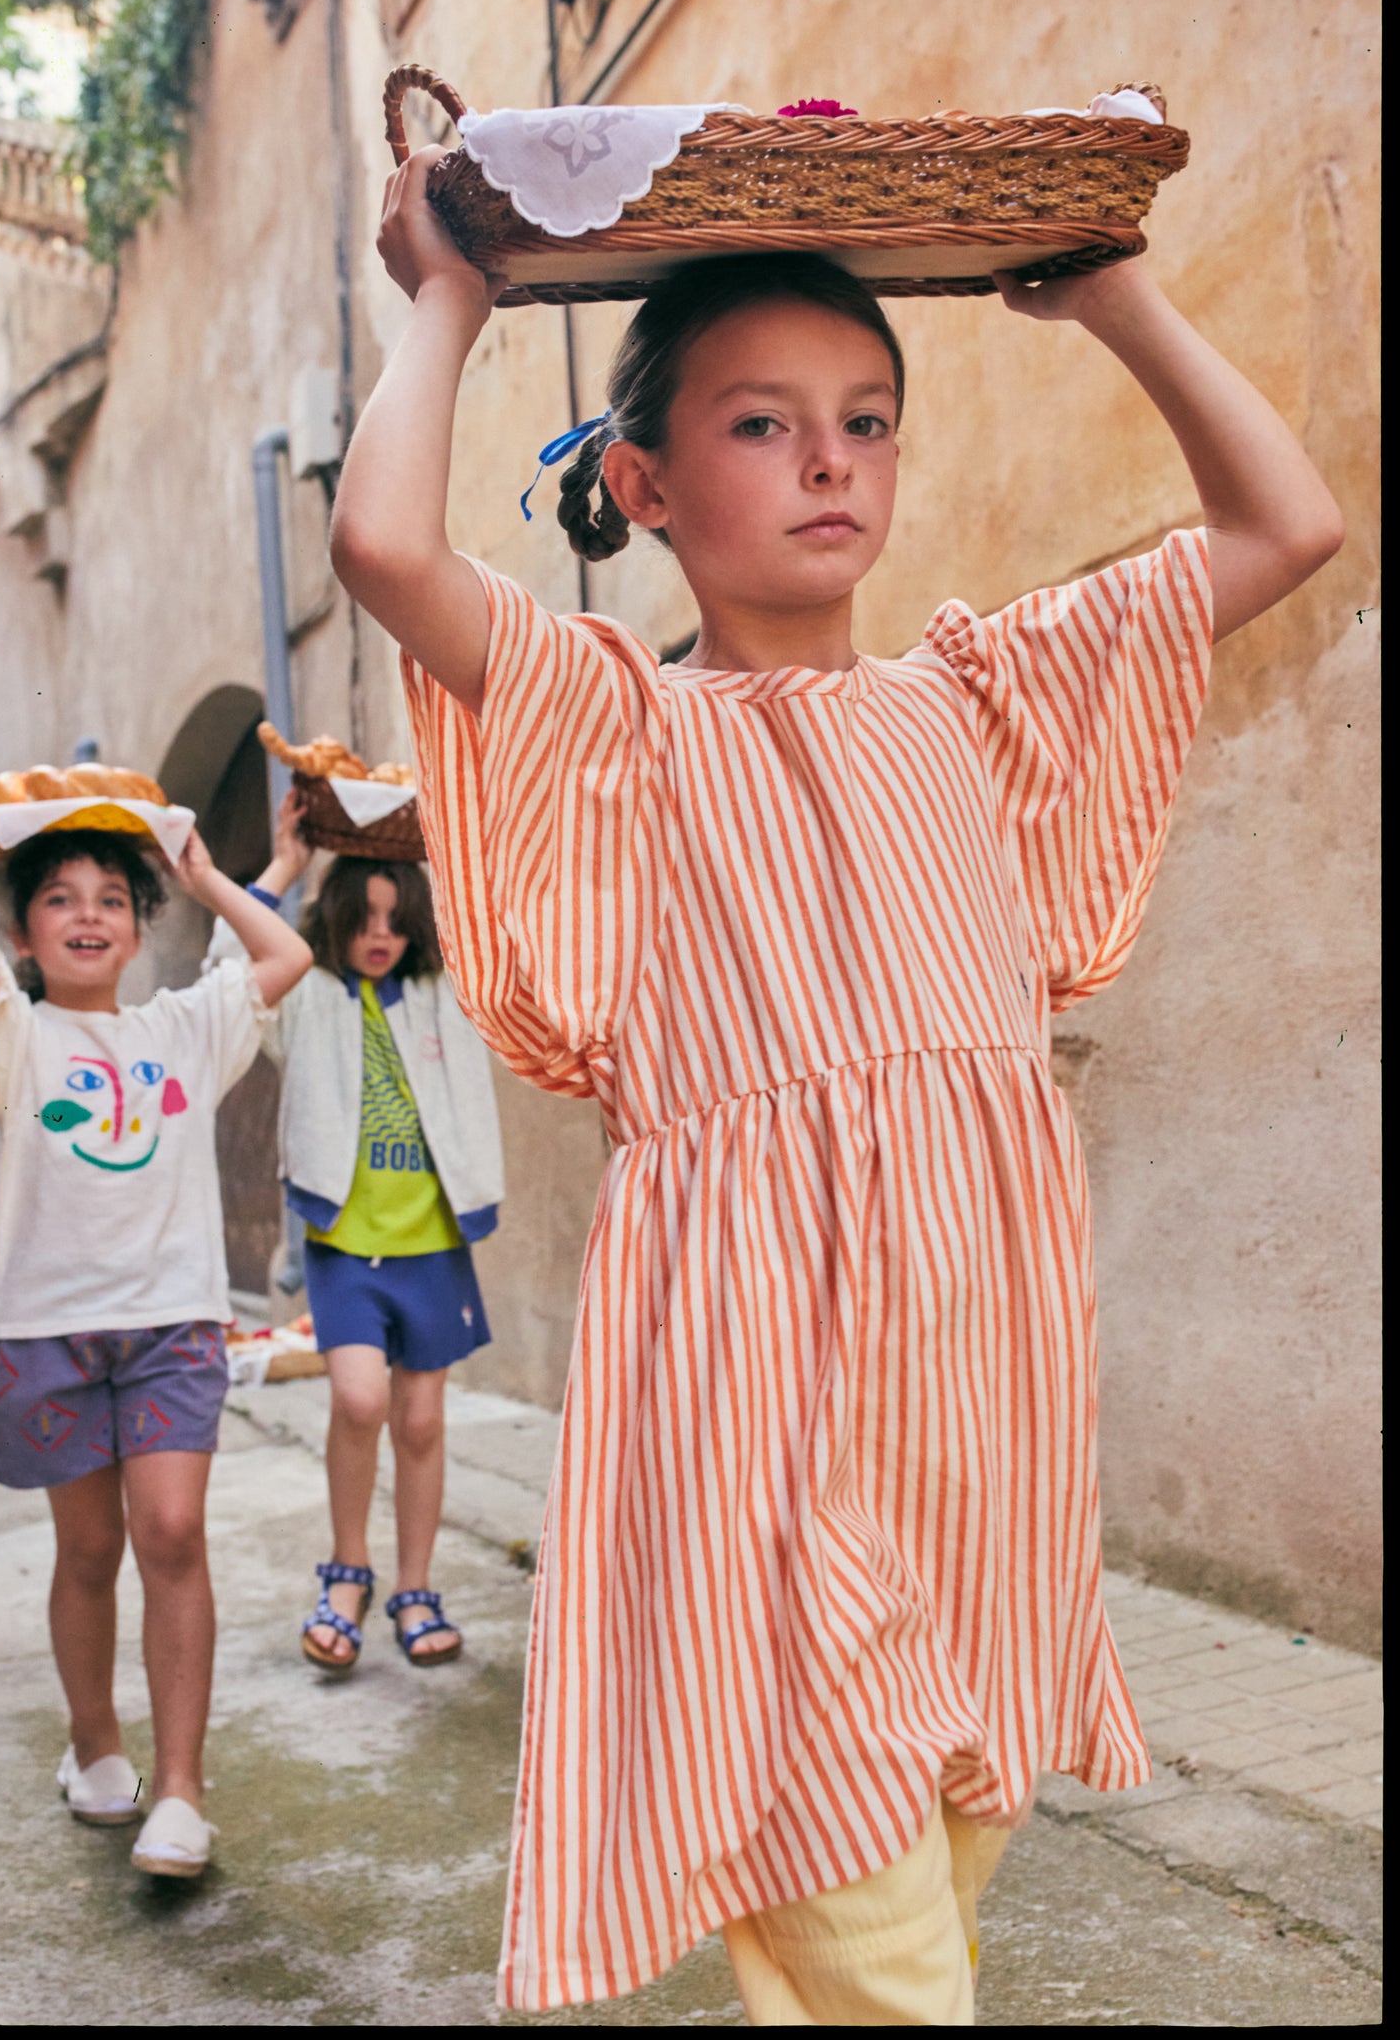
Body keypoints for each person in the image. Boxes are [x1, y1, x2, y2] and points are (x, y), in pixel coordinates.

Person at [326, 146, 1343, 2024]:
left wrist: (1106, 288)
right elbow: (384, 550)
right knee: (868, 1921)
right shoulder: (617, 724)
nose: (830, 460)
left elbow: (1286, 527)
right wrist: (450, 294)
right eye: (764, 421)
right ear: (642, 485)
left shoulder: (982, 698)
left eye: (868, 420)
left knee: (931, 1884)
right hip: (752, 1410)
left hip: (982, 1413)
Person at [0, 824, 312, 1879]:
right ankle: (95, 1751)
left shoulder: (183, 1026)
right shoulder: (13, 1034)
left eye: (112, 898)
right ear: (23, 933)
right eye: (60, 898)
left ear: (137, 925)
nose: (87, 914)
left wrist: (209, 874)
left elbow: (283, 957)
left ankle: (180, 1788)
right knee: (87, 1552)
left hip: (172, 1325)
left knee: (169, 1530)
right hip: (50, 1331)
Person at [206, 801, 504, 1674]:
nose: (381, 936)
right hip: (343, 1242)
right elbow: (230, 968)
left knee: (419, 1420)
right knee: (361, 1401)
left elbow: (494, 936)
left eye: (395, 921)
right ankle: (348, 1572)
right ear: (335, 922)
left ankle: (413, 1586)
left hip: (433, 1243)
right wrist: (285, 864)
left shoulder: (442, 995)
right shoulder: (309, 996)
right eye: (363, 919)